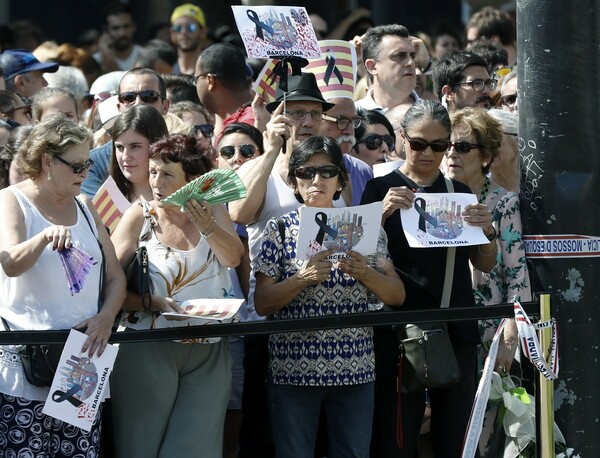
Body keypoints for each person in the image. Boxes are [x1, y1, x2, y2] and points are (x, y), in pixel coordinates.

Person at [361, 99, 497, 457]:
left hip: (455, 326)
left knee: (454, 437)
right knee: (397, 438)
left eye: (439, 146)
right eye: (419, 143)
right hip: (399, 329)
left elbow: (484, 263)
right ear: (403, 138)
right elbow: (357, 255)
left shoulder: (460, 192)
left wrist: (489, 231)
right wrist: (383, 211)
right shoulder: (379, 189)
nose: (428, 153)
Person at [254, 136, 405, 457]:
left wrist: (366, 273)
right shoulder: (278, 229)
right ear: (294, 181)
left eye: (326, 171)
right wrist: (301, 279)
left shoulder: (366, 228)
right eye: (306, 173)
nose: (317, 180)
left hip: (355, 369)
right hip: (293, 370)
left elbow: (397, 295)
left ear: (341, 179)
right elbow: (262, 302)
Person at [110, 133, 244, 458]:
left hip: (208, 348)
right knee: (140, 447)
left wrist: (209, 226)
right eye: (153, 171)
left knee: (196, 449)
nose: (156, 181)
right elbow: (109, 285)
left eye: (167, 173)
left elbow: (233, 258)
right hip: (146, 345)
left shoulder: (214, 208)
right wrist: (150, 302)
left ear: (193, 180)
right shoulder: (139, 216)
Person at [0, 115, 126, 456]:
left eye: (88, 164)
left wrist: (104, 319)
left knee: (77, 453)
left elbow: (116, 277)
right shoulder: (11, 200)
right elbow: (10, 263)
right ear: (46, 161)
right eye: (76, 166)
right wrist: (42, 238)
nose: (85, 173)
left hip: (81, 362)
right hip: (27, 366)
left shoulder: (86, 207)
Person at [444, 107, 530, 366]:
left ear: (486, 156)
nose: (451, 153)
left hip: (490, 329)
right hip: (446, 329)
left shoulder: (504, 202)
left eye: (462, 146)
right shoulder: (435, 199)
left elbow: (517, 273)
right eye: (446, 145)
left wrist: (511, 329)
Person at [216, 122, 264, 458]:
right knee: (231, 420)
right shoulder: (207, 202)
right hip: (227, 330)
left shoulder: (276, 193)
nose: (237, 158)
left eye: (247, 150)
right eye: (227, 151)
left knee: (262, 420)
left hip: (269, 326)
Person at [81, 68, 170, 197]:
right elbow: (100, 214)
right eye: (128, 97)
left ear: (165, 106)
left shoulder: (183, 158)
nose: (138, 103)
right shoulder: (93, 163)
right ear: (118, 107)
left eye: (149, 96)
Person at [319, 96, 374, 206]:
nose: (349, 130)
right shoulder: (298, 170)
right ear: (317, 120)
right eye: (341, 121)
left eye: (353, 121)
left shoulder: (361, 171)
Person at [109, 104, 169, 203]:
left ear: (157, 145)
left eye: (135, 146)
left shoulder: (179, 199)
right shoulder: (107, 200)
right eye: (120, 147)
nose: (125, 157)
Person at [355, 24, 421, 112]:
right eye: (400, 55)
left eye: (412, 56)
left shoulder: (435, 115)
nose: (410, 62)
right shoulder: (353, 116)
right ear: (372, 66)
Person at [195, 43, 255, 138]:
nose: (196, 85)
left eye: (196, 79)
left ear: (210, 81)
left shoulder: (247, 127)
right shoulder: (252, 118)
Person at [94, 2, 143, 73]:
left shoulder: (145, 57)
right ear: (106, 30)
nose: (122, 33)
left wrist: (114, 69)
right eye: (115, 28)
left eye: (126, 26)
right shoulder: (96, 61)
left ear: (134, 27)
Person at [170, 3, 209, 75]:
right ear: (172, 33)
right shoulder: (167, 69)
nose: (184, 32)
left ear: (202, 32)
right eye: (178, 28)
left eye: (191, 27)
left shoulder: (210, 70)